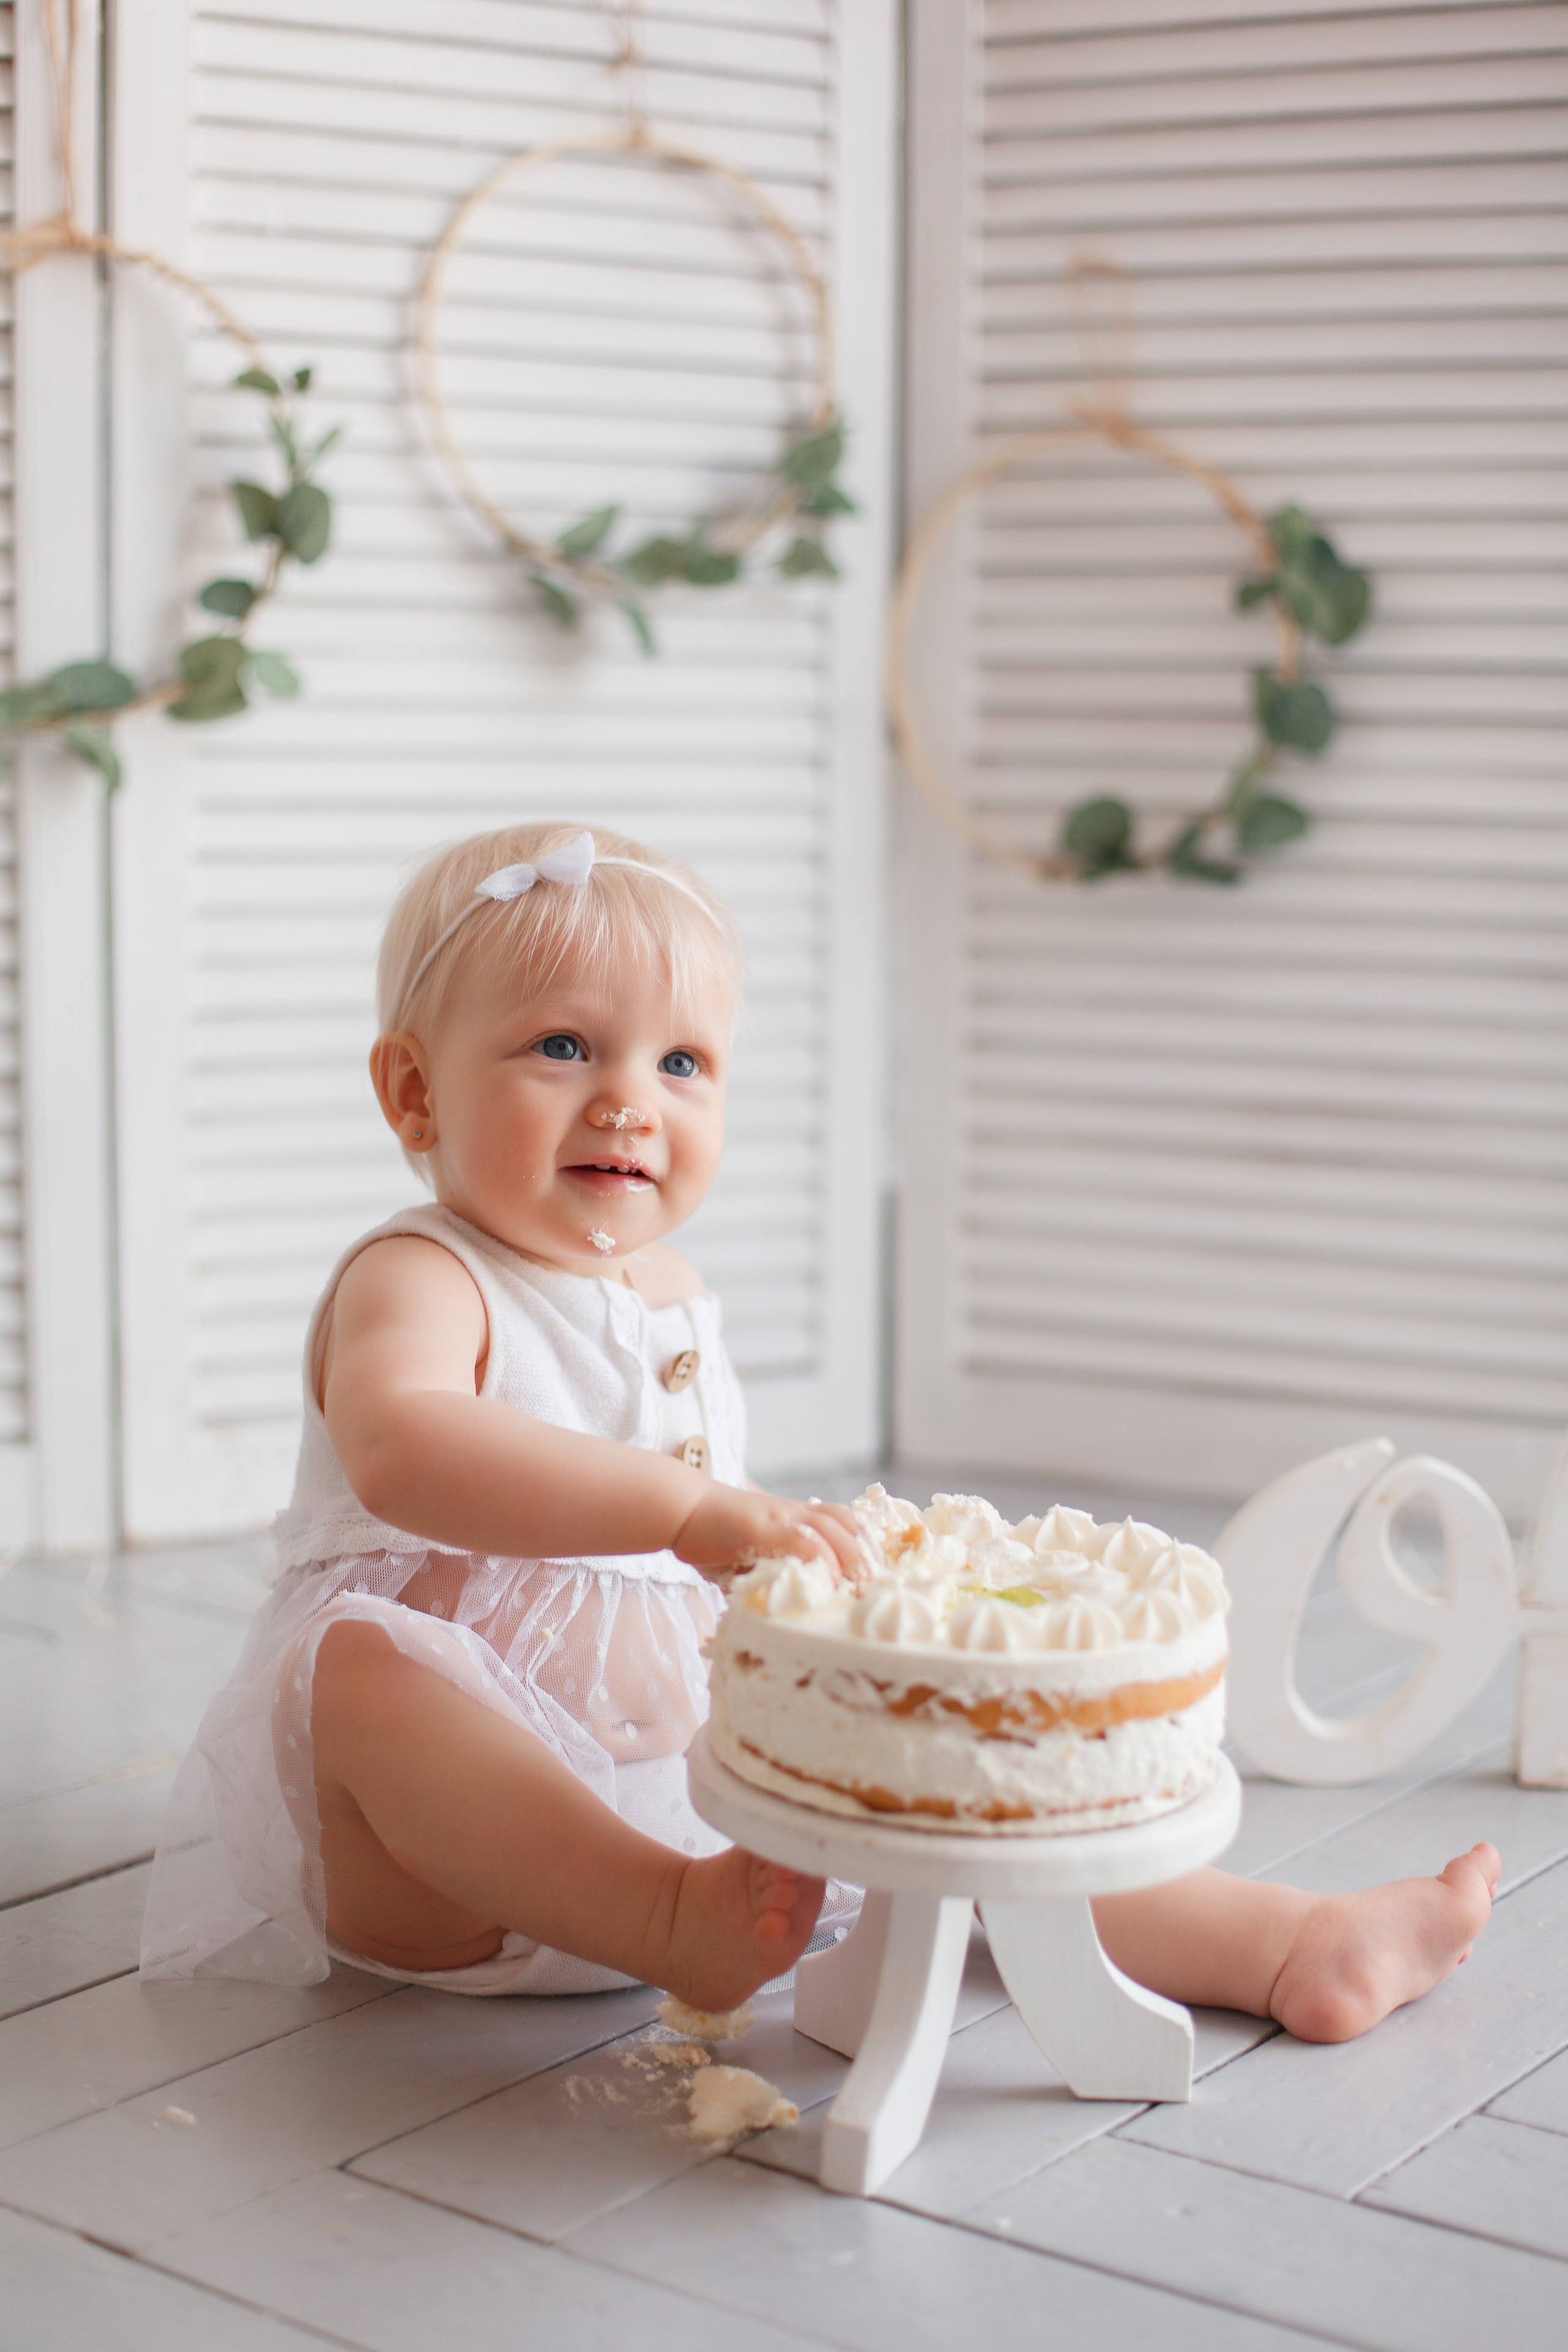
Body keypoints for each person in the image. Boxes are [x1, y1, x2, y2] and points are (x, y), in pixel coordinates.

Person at [142, 821, 1498, 2034]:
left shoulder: (668, 1290)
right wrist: (682, 1515)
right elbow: (407, 1446)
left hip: (723, 1824)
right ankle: (664, 1918)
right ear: (413, 1093)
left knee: (951, 1801)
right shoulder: (420, 1274)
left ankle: (1280, 1944)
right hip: (461, 1878)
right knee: (358, 1677)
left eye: (681, 1061)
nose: (629, 1097)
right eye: (563, 1046)